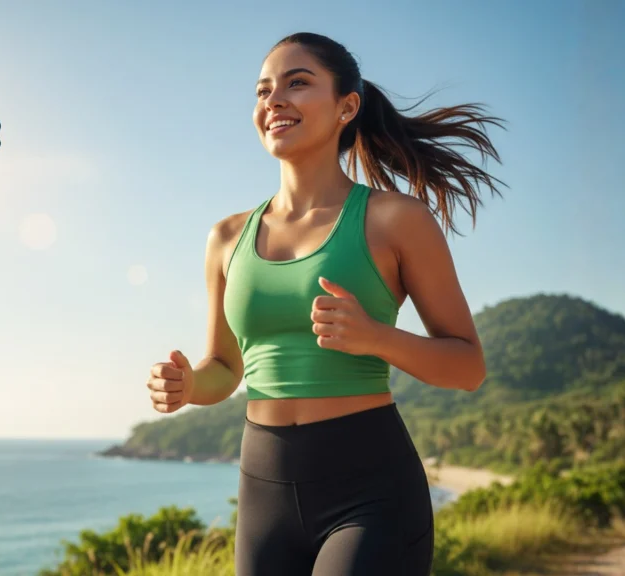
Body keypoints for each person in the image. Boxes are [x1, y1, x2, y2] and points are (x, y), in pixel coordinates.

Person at [145, 32, 505, 575]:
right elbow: (225, 366)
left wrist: (376, 337)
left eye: (297, 83)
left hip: (372, 492)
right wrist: (191, 385)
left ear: (347, 106)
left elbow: (468, 366)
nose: (274, 101)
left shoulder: (394, 220)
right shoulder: (226, 238)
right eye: (263, 90)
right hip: (263, 488)